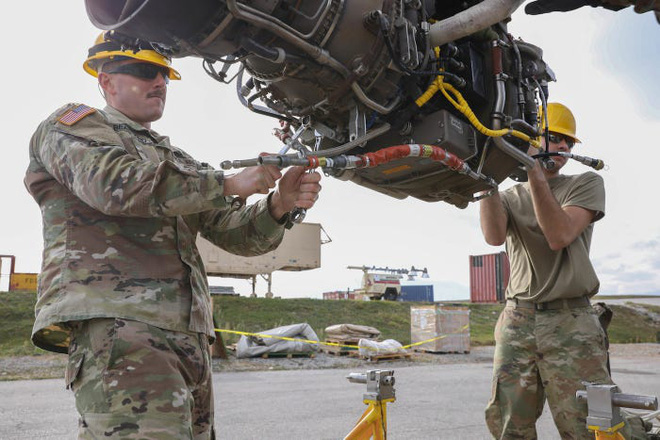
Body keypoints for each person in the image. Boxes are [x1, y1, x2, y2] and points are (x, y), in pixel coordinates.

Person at [24, 31, 321, 439]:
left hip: (188, 338)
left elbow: (236, 236)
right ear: (106, 80)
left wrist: (279, 206)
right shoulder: (71, 126)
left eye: (164, 74)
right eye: (146, 72)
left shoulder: (174, 159)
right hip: (122, 328)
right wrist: (228, 183)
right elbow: (113, 184)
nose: (160, 83)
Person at [479, 102, 647, 439]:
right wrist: (486, 176)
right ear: (530, 139)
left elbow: (558, 235)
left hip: (570, 322)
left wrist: (532, 169)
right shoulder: (510, 196)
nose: (564, 148)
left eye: (568, 143)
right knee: (509, 422)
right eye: (554, 138)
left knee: (588, 422)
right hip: (518, 320)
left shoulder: (585, 183)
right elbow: (493, 236)